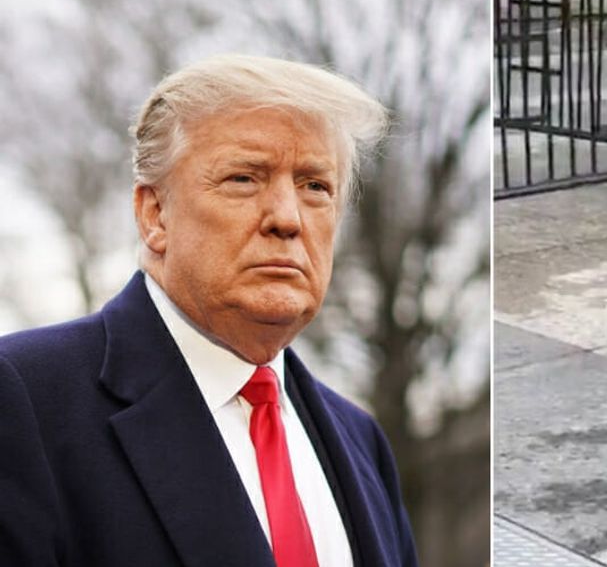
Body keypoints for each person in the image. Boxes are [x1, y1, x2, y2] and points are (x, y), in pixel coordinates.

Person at [0, 54, 418, 567]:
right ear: (155, 215)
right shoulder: (26, 399)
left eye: (315, 186)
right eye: (244, 178)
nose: (287, 218)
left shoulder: (361, 441)